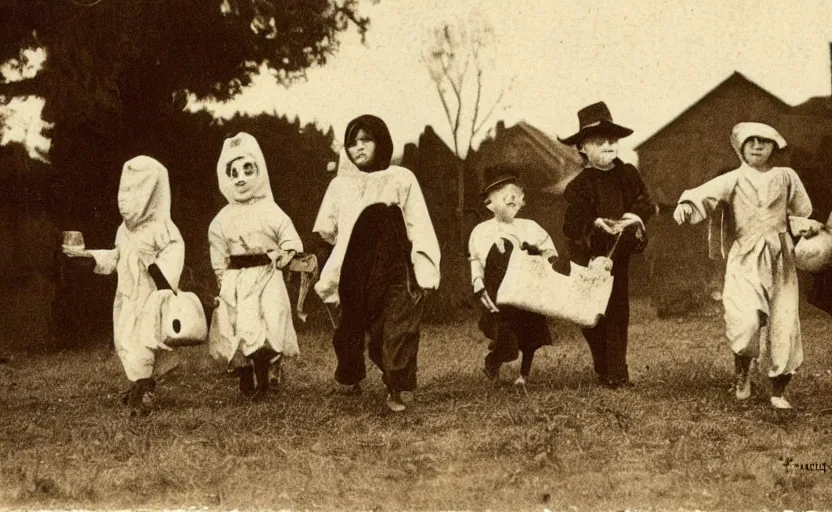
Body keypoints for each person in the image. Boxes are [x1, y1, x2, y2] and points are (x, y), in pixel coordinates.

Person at [673, 122, 816, 409]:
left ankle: (778, 391)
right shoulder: (734, 179)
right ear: (741, 147)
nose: (757, 146)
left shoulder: (786, 177)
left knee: (784, 322)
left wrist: (805, 228)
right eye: (751, 141)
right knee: (745, 320)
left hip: (780, 258)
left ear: (774, 146)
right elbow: (703, 193)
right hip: (746, 257)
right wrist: (686, 204)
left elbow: (802, 212)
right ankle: (742, 375)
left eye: (764, 141)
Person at [312, 114, 440, 412]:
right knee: (354, 330)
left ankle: (398, 387)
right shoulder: (340, 186)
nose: (359, 148)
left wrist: (424, 265)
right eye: (352, 143)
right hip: (356, 271)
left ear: (380, 142)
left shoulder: (400, 178)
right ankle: (355, 375)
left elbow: (418, 222)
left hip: (395, 266)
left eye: (366, 140)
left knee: (397, 327)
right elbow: (327, 232)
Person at [62, 156, 185, 416]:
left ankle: (142, 392)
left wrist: (154, 266)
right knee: (126, 342)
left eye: (136, 191)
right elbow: (117, 257)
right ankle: (141, 384)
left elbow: (171, 266)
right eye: (125, 190)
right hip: (127, 296)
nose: (127, 198)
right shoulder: (124, 230)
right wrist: (90, 257)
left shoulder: (164, 230)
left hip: (150, 299)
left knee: (145, 344)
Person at [560, 101, 656, 389]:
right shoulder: (578, 186)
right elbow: (571, 225)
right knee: (589, 316)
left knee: (617, 311)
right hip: (590, 256)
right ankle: (603, 363)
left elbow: (646, 202)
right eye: (599, 141)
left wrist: (634, 217)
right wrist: (594, 226)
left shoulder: (628, 174)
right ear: (582, 149)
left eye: (612, 140)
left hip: (620, 254)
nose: (608, 146)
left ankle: (617, 372)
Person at [208, 132, 303, 399]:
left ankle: (266, 376)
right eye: (233, 172)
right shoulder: (222, 219)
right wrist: (220, 277)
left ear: (258, 172)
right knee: (239, 326)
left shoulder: (270, 210)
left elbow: (289, 237)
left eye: (247, 171)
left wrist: (286, 254)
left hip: (265, 276)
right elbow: (218, 251)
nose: (240, 178)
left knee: (268, 324)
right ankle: (247, 375)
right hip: (236, 279)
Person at [468, 166, 556, 386]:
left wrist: (538, 255)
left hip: (527, 290)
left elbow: (551, 254)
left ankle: (523, 376)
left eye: (516, 194)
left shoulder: (530, 227)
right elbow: (476, 262)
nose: (512, 197)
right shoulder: (482, 231)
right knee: (506, 337)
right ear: (489, 203)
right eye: (504, 194)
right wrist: (478, 283)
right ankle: (494, 360)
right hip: (498, 292)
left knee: (530, 335)